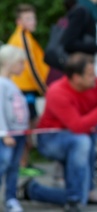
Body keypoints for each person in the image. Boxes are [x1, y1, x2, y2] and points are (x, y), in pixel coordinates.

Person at [22, 53, 97, 212]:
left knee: (87, 137)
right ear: (76, 78)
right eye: (90, 74)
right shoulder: (57, 92)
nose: (95, 77)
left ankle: (75, 194)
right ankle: (74, 197)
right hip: (50, 139)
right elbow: (77, 126)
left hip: (81, 134)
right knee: (81, 141)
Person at [7, 4, 49, 176]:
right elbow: (31, 67)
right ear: (19, 21)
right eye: (28, 19)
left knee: (31, 124)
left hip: (28, 90)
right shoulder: (22, 37)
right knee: (26, 125)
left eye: (33, 18)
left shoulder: (27, 36)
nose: (33, 21)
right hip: (23, 90)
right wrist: (45, 90)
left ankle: (24, 161)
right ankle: (21, 163)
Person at [0, 45, 29, 212]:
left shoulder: (10, 83)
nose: (23, 66)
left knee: (13, 167)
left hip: (18, 134)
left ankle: (11, 198)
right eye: (20, 62)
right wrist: (4, 134)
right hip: (8, 136)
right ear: (9, 63)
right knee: (4, 164)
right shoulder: (1, 84)